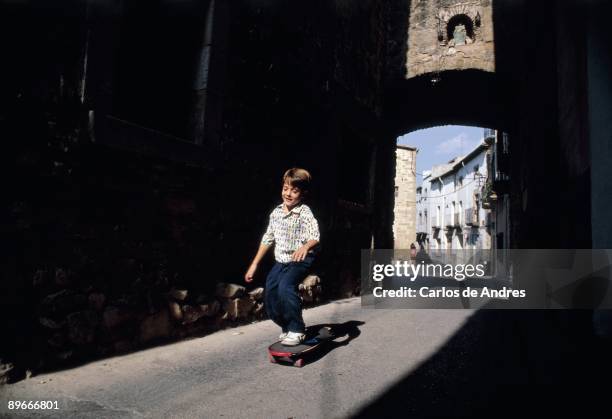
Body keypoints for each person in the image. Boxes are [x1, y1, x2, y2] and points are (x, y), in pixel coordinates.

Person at [244, 168, 320, 346]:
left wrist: (305, 246)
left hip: (301, 259)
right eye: (286, 188)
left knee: (286, 286)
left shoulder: (305, 212)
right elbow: (267, 238)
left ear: (303, 193)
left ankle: (297, 329)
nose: (288, 193)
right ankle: (287, 326)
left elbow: (315, 236)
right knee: (270, 294)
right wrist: (254, 264)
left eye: (294, 190)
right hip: (281, 260)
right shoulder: (276, 213)